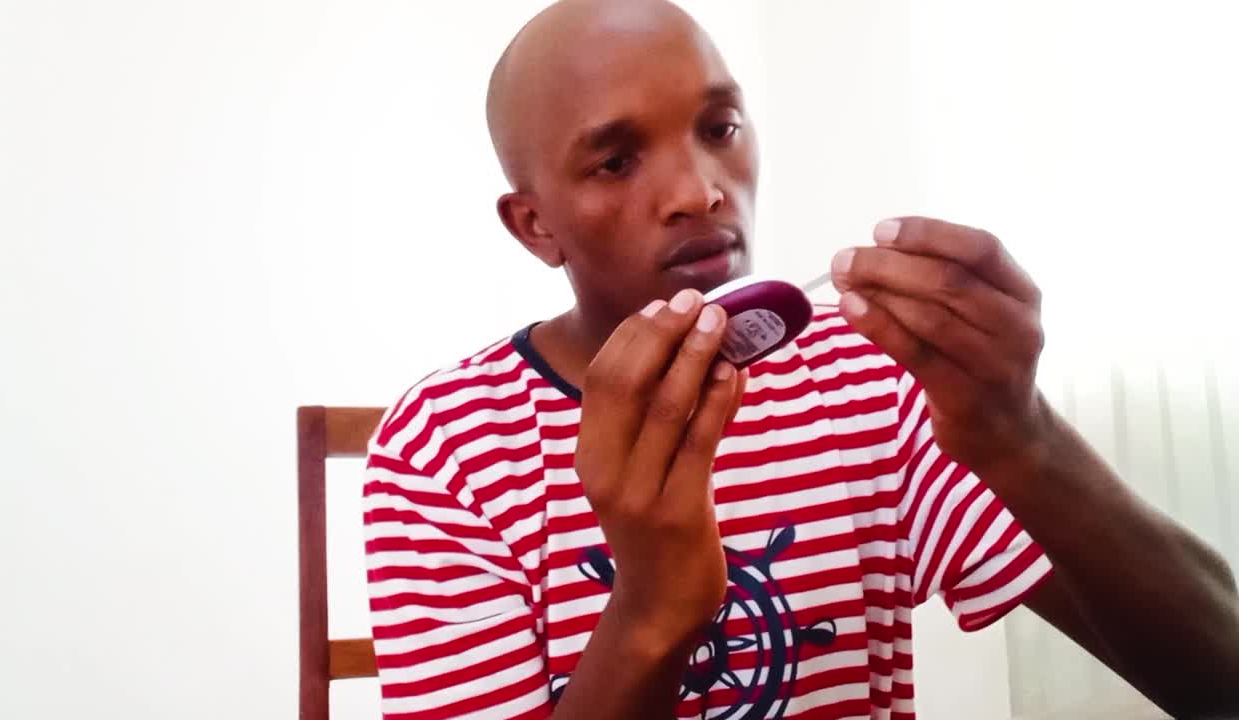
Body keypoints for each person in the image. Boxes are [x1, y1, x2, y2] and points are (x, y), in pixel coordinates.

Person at [359, 1, 1239, 717]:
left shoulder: (864, 378)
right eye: (618, 160)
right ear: (536, 224)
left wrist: (1024, 439)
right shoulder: (445, 449)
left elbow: (1214, 677)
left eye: (721, 125)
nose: (701, 190)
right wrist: (653, 608)